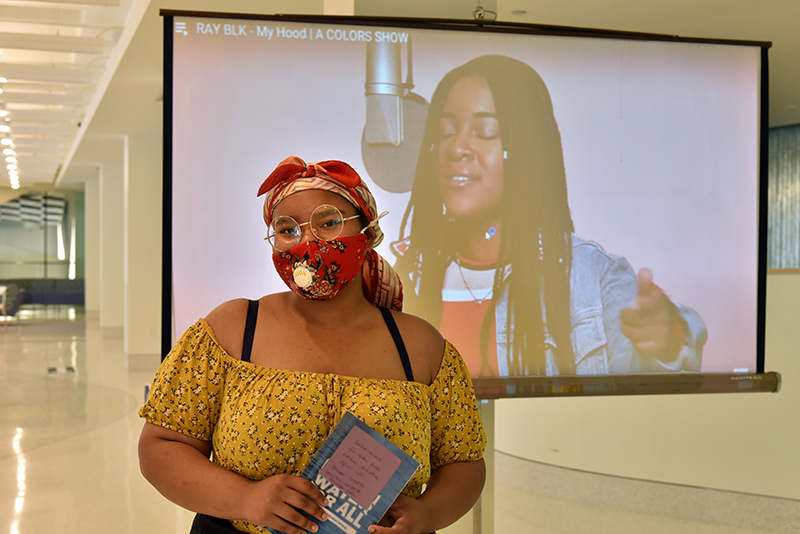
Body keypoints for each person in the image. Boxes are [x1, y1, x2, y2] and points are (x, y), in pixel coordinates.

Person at [138, 156, 486, 534]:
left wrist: (427, 515)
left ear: (368, 233)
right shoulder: (233, 330)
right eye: (287, 229)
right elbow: (161, 446)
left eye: (329, 223)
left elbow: (464, 462)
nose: (307, 242)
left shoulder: (422, 347)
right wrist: (247, 499)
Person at [392, 55, 707, 377]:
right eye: (445, 131)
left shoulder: (595, 278)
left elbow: (647, 402)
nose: (457, 147)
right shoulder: (396, 282)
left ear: (527, 149)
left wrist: (668, 340)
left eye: (485, 132)